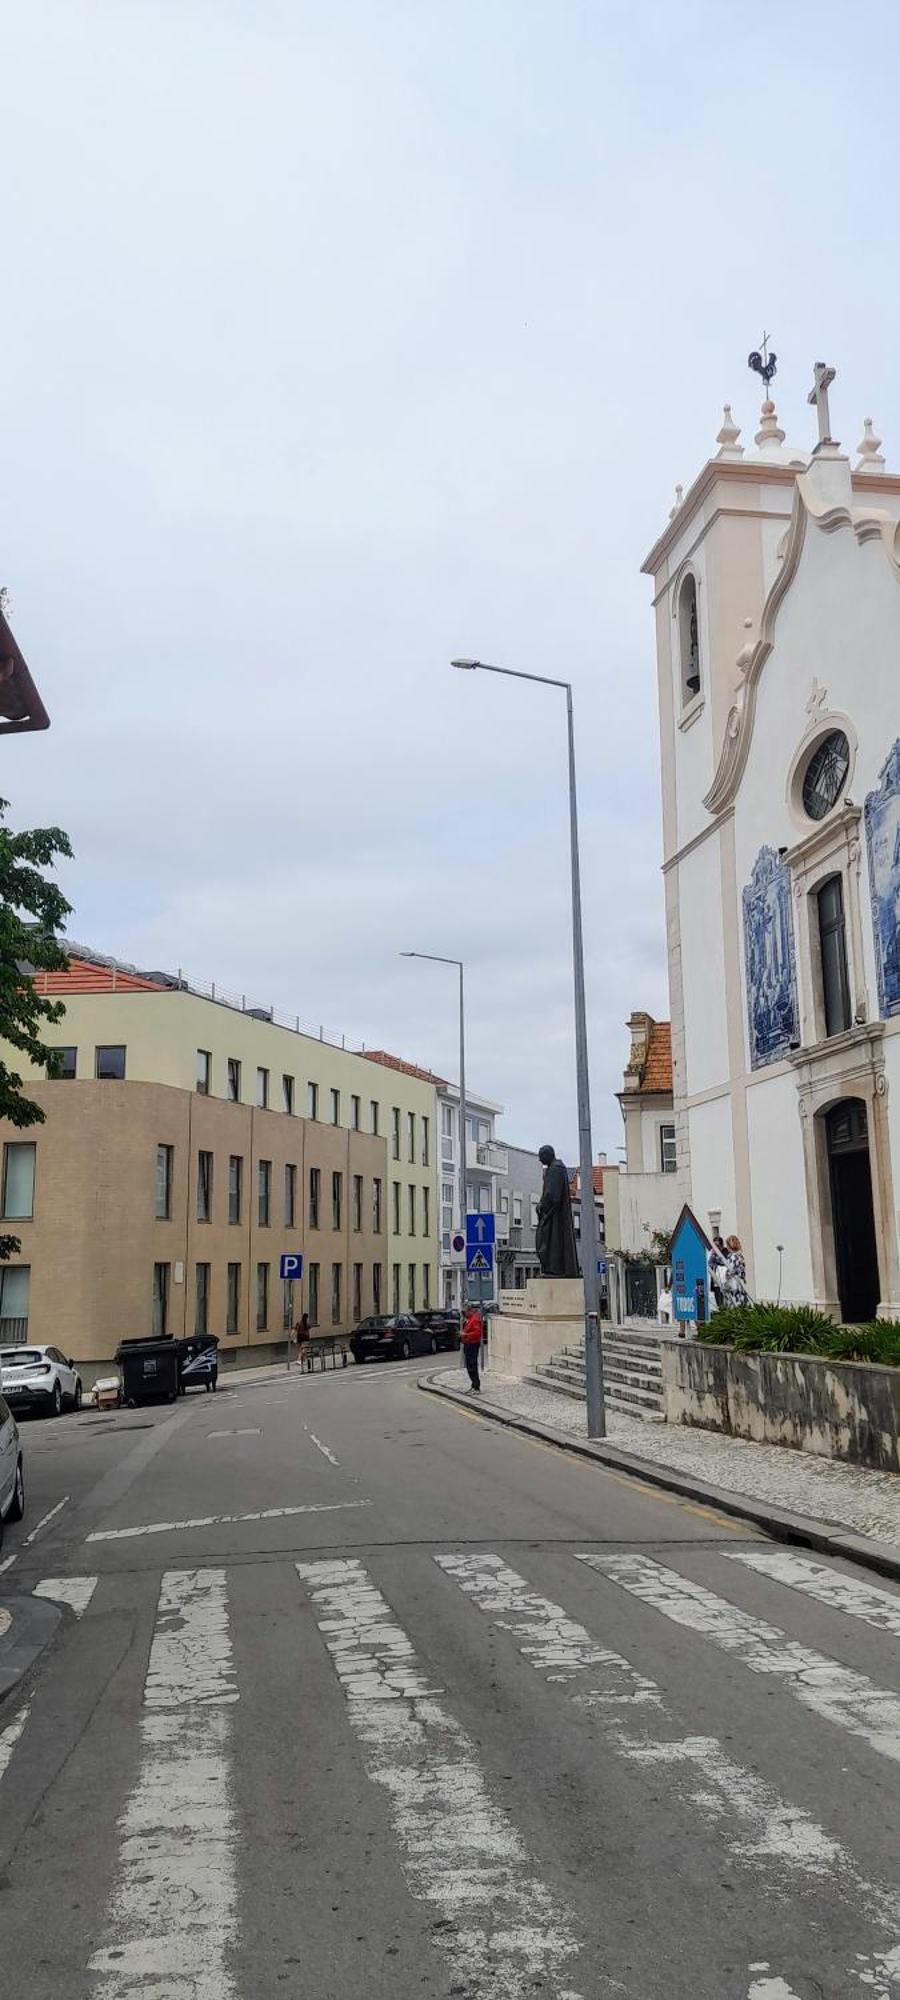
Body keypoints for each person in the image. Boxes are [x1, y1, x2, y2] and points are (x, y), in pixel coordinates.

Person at [461, 1303, 484, 1393]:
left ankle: (476, 1386)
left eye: (465, 1312)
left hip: (472, 1345)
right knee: (469, 1365)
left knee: (472, 1365)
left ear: (470, 1311)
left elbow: (477, 1333)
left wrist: (466, 1334)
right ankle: (473, 1385)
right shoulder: (469, 1320)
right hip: (468, 1344)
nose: (464, 1314)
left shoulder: (474, 1320)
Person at [723, 1235, 748, 1308]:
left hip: (734, 1284)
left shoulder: (732, 1256)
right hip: (739, 1283)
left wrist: (726, 1276)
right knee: (740, 1302)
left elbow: (731, 1270)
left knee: (734, 1304)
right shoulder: (740, 1256)